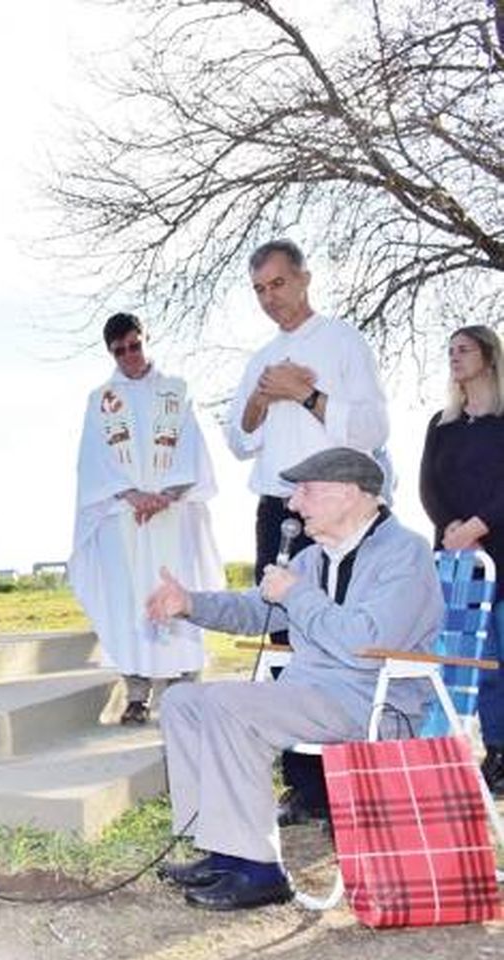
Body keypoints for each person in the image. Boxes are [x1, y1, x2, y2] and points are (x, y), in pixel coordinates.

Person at [147, 447, 441, 910]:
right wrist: (190, 603)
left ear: (348, 494)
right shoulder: (313, 559)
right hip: (310, 694)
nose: (293, 504)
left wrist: (298, 596)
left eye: (306, 491)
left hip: (371, 701)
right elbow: (255, 609)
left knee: (229, 703)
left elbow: (366, 644)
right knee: (184, 701)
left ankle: (259, 869)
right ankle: (223, 850)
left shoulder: (405, 554)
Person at [223, 237, 390, 825]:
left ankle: (353, 778)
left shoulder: (343, 342)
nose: (271, 299)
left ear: (304, 279)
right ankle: (303, 786)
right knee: (285, 641)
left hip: (339, 510)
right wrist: (263, 401)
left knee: (336, 639)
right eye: (260, 290)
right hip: (278, 507)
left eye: (279, 284)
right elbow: (240, 440)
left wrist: (308, 394)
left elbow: (369, 427)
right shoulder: (259, 358)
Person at [68, 314, 222, 724]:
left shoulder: (175, 392)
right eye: (120, 351)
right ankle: (137, 693)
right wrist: (133, 495)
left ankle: (182, 691)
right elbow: (93, 462)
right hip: (123, 517)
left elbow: (191, 447)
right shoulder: (100, 401)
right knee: (131, 601)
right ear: (110, 353)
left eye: (134, 346)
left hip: (173, 512)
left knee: (176, 592)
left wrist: (167, 494)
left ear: (145, 341)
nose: (129, 356)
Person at [419, 324, 504, 791]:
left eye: (464, 350)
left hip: (499, 550)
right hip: (454, 560)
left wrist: (479, 526)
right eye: (449, 350)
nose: (454, 357)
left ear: (489, 358)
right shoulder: (441, 424)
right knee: (464, 659)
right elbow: (427, 486)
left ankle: (500, 752)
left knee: (500, 657)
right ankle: (453, 753)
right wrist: (452, 526)